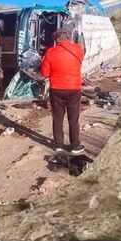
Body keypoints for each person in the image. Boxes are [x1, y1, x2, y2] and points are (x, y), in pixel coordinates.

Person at [40, 27, 85, 155]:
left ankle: (58, 145)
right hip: (74, 88)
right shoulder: (78, 49)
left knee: (58, 117)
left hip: (56, 89)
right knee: (73, 118)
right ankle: (75, 146)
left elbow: (44, 73)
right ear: (69, 37)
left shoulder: (50, 52)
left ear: (56, 39)